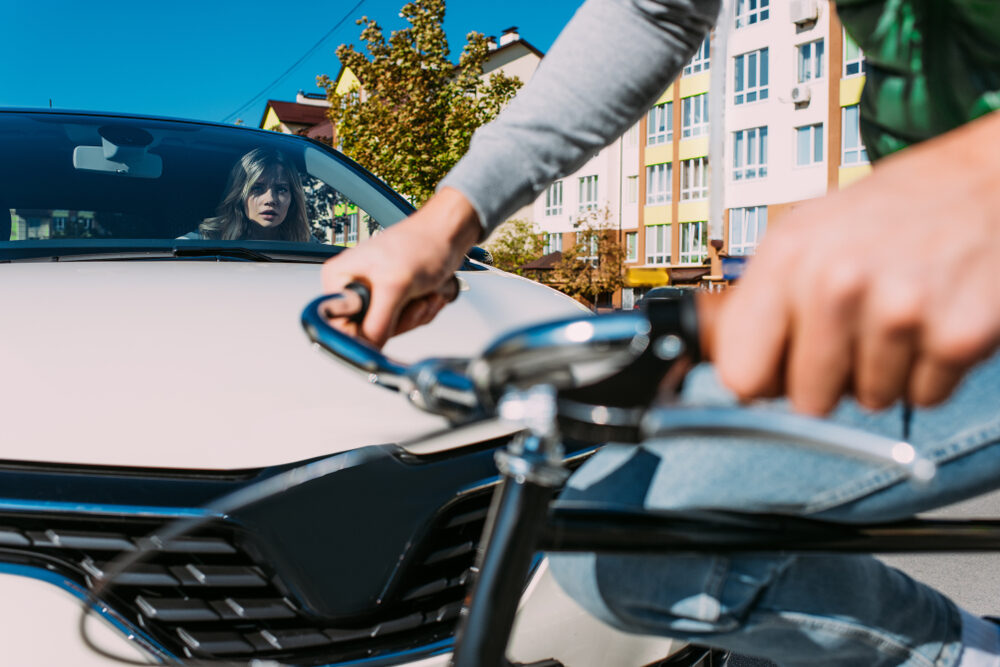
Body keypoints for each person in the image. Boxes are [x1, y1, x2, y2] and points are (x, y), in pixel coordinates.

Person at [321, 0, 1000, 664]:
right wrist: (447, 219)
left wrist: (977, 173)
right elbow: (652, 12)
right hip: (926, 281)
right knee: (618, 542)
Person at [180, 148, 313, 242]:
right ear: (239, 194)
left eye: (281, 189)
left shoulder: (305, 242)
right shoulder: (209, 239)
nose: (270, 200)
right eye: (257, 188)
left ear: (293, 198)